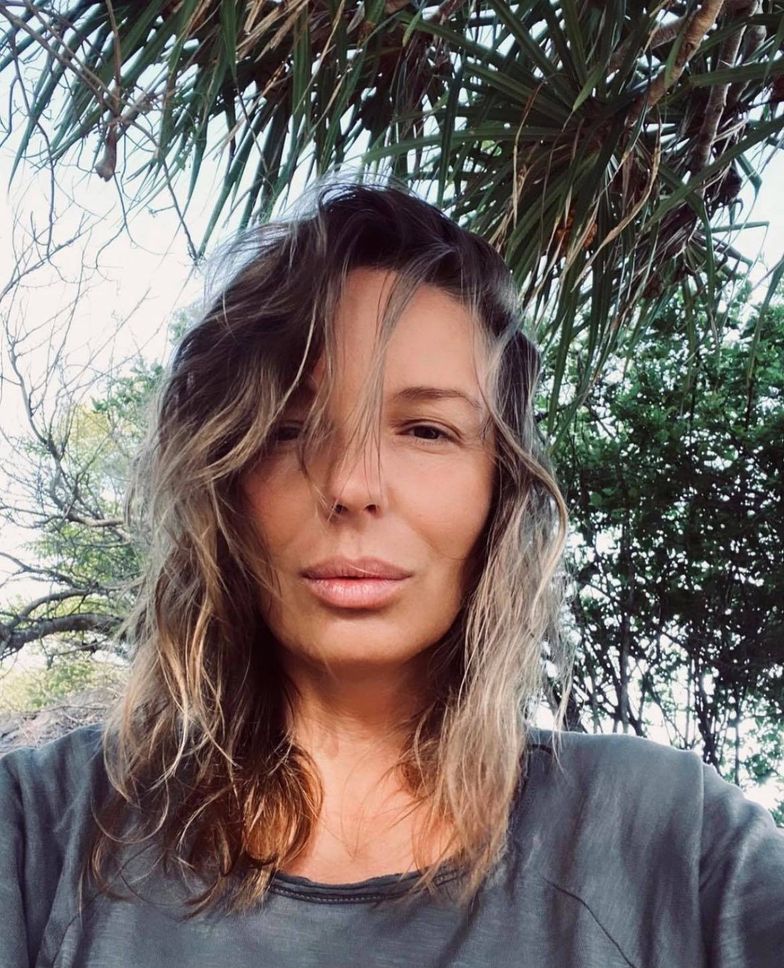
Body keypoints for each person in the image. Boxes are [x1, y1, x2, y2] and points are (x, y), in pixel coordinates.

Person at [1, 180, 782, 968]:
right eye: (289, 427)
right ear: (224, 478)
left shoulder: (678, 845)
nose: (351, 485)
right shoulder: (39, 836)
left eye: (426, 430)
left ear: (500, 487)